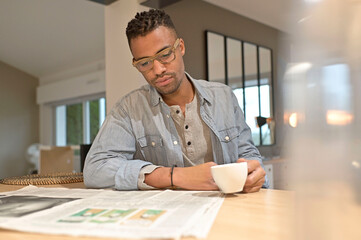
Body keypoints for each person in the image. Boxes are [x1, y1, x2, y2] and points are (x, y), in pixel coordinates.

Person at [84, 9, 268, 192]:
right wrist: (175, 176)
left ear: (180, 47)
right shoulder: (129, 109)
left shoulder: (224, 97)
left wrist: (253, 171)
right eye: (144, 63)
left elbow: (248, 154)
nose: (157, 70)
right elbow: (95, 169)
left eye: (164, 54)